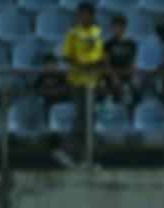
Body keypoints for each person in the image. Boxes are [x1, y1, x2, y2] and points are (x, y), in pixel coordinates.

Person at [58, 2, 105, 165]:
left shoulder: (97, 32)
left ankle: (82, 157)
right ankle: (68, 150)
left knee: (89, 119)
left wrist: (97, 65)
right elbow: (65, 55)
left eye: (84, 14)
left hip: (93, 80)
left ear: (91, 15)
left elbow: (99, 55)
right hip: (77, 80)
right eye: (80, 14)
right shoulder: (73, 33)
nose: (81, 17)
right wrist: (80, 63)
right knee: (85, 117)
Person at [102, 16, 138, 105]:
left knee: (136, 91)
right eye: (112, 27)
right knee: (108, 93)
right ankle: (108, 115)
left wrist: (132, 77)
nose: (113, 29)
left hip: (126, 75)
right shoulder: (108, 44)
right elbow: (106, 63)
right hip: (111, 76)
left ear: (123, 28)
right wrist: (113, 76)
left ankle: (131, 115)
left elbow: (132, 62)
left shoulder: (131, 44)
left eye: (115, 27)